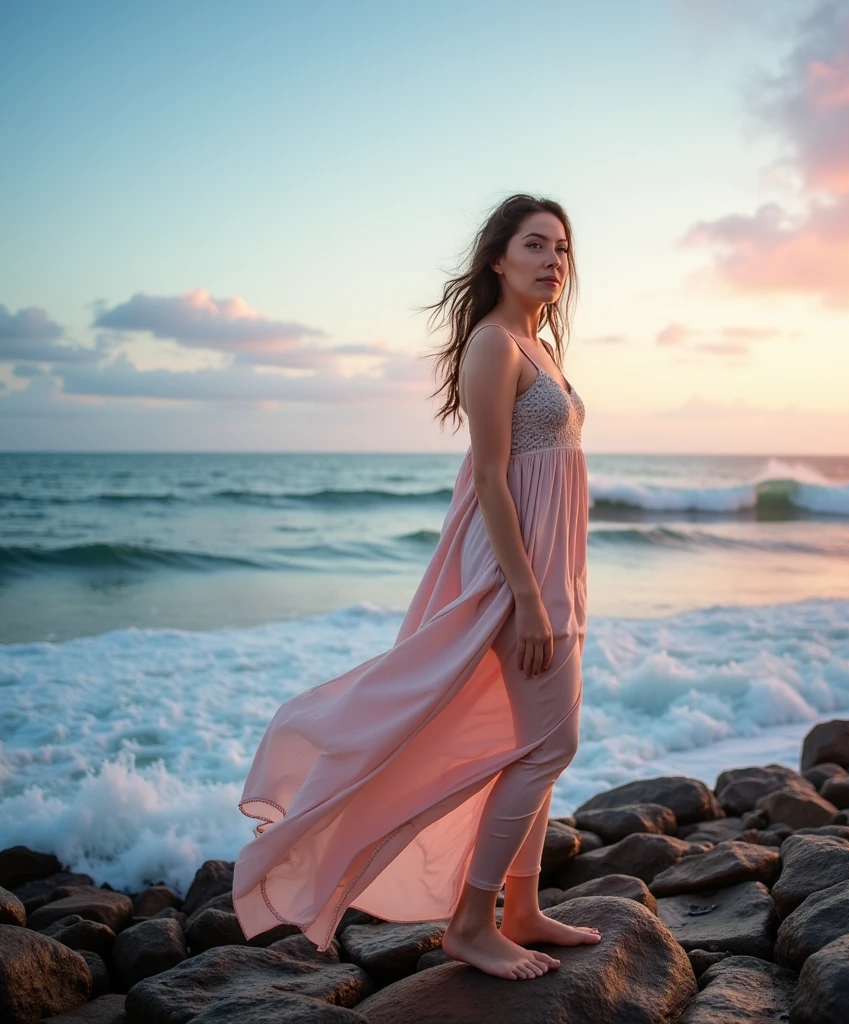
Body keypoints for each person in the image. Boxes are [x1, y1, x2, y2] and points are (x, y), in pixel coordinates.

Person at [232, 193, 598, 981]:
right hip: (516, 576)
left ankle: (524, 909)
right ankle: (472, 923)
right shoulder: (494, 346)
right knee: (550, 743)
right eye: (536, 246)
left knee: (533, 744)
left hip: (553, 569)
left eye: (563, 250)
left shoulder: (539, 349)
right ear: (498, 258)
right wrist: (529, 596)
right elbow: (494, 482)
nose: (553, 262)